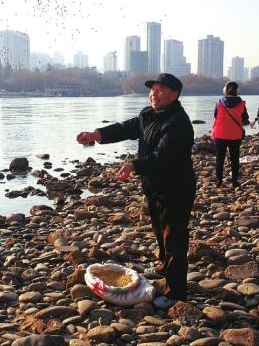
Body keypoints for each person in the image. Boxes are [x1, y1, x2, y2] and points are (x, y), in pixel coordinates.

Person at [76, 73, 196, 310]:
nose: (154, 93)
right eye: (153, 89)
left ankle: (176, 294)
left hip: (177, 191)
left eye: (161, 90)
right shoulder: (147, 115)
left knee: (175, 241)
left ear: (175, 95)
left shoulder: (179, 123)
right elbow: (125, 128)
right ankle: (163, 266)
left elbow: (163, 156)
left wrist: (134, 166)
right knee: (159, 231)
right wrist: (97, 134)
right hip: (155, 187)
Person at [211, 81, 249, 188]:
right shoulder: (241, 104)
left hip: (220, 133)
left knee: (219, 158)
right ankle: (234, 181)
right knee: (234, 158)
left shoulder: (219, 103)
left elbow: (215, 115)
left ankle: (219, 180)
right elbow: (245, 118)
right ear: (238, 91)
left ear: (225, 90)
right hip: (235, 135)